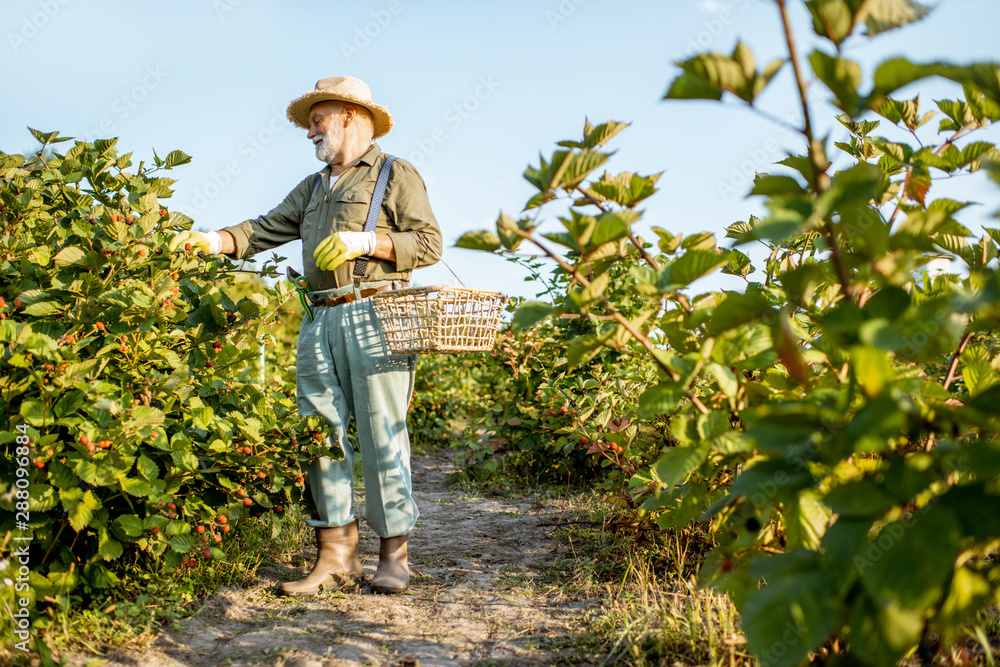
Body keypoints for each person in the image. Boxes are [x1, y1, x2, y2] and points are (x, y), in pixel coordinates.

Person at [171, 76, 443, 595]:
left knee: (381, 431)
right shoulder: (314, 187)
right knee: (317, 431)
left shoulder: (394, 173)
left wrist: (367, 240)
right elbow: (263, 228)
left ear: (348, 117)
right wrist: (209, 240)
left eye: (317, 122)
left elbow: (429, 243)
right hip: (319, 317)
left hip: (376, 313)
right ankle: (336, 555)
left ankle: (393, 555)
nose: (310, 132)